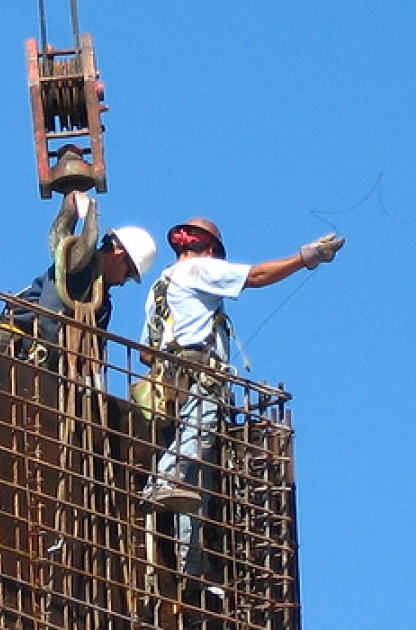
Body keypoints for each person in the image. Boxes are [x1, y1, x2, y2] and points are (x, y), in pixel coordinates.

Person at [137, 217, 344, 594]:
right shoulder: (199, 269)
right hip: (200, 375)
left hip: (168, 381)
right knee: (194, 446)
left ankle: (192, 566)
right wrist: (305, 258)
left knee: (198, 479)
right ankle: (159, 484)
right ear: (212, 249)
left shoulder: (158, 288)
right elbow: (258, 276)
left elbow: (147, 355)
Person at [0, 192, 157, 364]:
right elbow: (49, 313)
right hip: (16, 344)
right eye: (128, 275)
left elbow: (94, 354)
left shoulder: (102, 304)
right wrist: (50, 357)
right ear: (119, 256)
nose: (122, 282)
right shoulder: (78, 269)